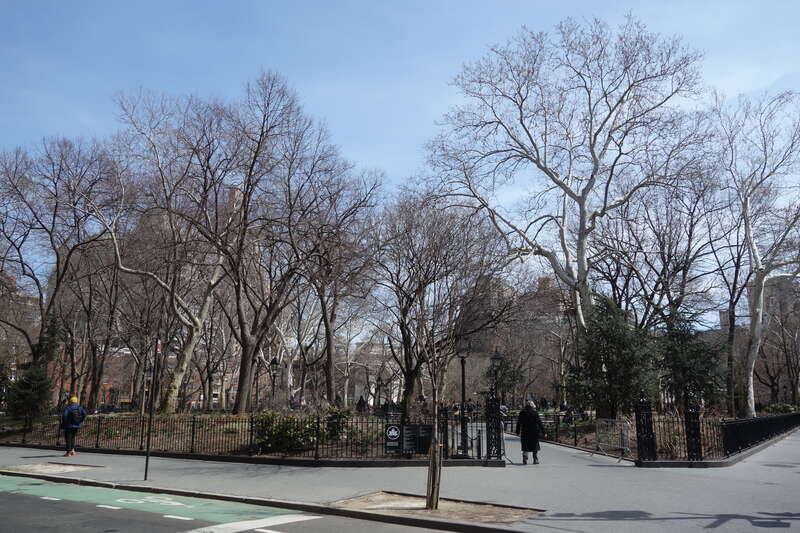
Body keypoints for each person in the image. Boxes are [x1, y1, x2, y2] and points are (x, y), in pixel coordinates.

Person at [516, 400, 547, 465]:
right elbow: (539, 423)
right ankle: (535, 459)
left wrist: (517, 431)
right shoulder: (535, 413)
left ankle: (525, 456)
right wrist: (544, 432)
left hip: (525, 431)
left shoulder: (522, 413)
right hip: (534, 431)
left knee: (525, 445)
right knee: (535, 445)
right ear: (532, 406)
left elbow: (519, 423)